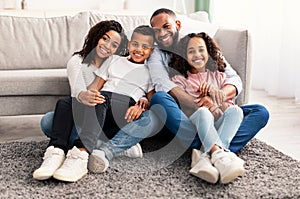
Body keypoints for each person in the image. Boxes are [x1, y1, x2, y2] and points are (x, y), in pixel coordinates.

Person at [146, 8, 269, 173]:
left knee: (259, 111)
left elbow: (234, 79)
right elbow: (163, 85)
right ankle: (219, 150)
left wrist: (216, 98)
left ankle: (206, 150)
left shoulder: (200, 43)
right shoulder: (157, 54)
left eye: (166, 27)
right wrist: (200, 106)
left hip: (216, 111)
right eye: (156, 31)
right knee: (159, 98)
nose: (162, 33)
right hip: (189, 114)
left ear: (178, 25)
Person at [33, 20, 130, 182]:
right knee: (49, 119)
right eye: (105, 38)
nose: (107, 46)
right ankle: (56, 152)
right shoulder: (77, 61)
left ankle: (81, 152)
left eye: (114, 45)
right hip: (83, 112)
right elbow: (77, 92)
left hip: (103, 116)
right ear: (96, 36)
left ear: (117, 50)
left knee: (60, 122)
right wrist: (84, 95)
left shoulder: (116, 65)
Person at [170, 32, 245, 184]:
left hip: (217, 123)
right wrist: (203, 103)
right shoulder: (180, 80)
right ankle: (220, 155)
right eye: (191, 51)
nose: (197, 54)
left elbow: (227, 107)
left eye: (201, 49)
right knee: (203, 112)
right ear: (184, 55)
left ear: (208, 52)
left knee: (237, 111)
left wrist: (212, 95)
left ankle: (208, 155)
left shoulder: (218, 76)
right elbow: (185, 108)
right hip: (197, 124)